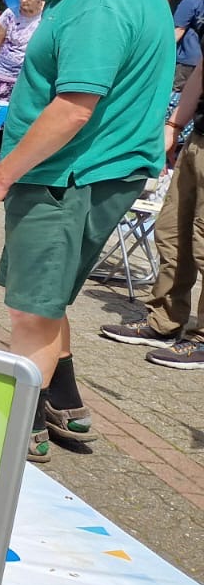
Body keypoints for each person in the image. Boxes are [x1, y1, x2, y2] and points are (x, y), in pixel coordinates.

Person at [0, 0, 174, 462]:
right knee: (48, 295)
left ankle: (18, 428)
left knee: (30, 309)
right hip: (92, 171)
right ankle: (67, 401)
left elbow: (75, 107)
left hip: (70, 173)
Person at [99, 60, 203, 369]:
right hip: (198, 140)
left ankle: (201, 340)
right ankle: (164, 322)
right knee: (172, 233)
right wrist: (174, 125)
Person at [0, 0, 48, 152]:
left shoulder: (47, 16)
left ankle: (16, 155)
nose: (24, 1)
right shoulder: (11, 12)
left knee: (21, 117)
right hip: (2, 72)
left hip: (26, 75)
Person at [173, 0, 204, 91]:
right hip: (199, 61)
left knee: (175, 92)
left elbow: (178, 30)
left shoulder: (193, 0)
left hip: (186, 60)